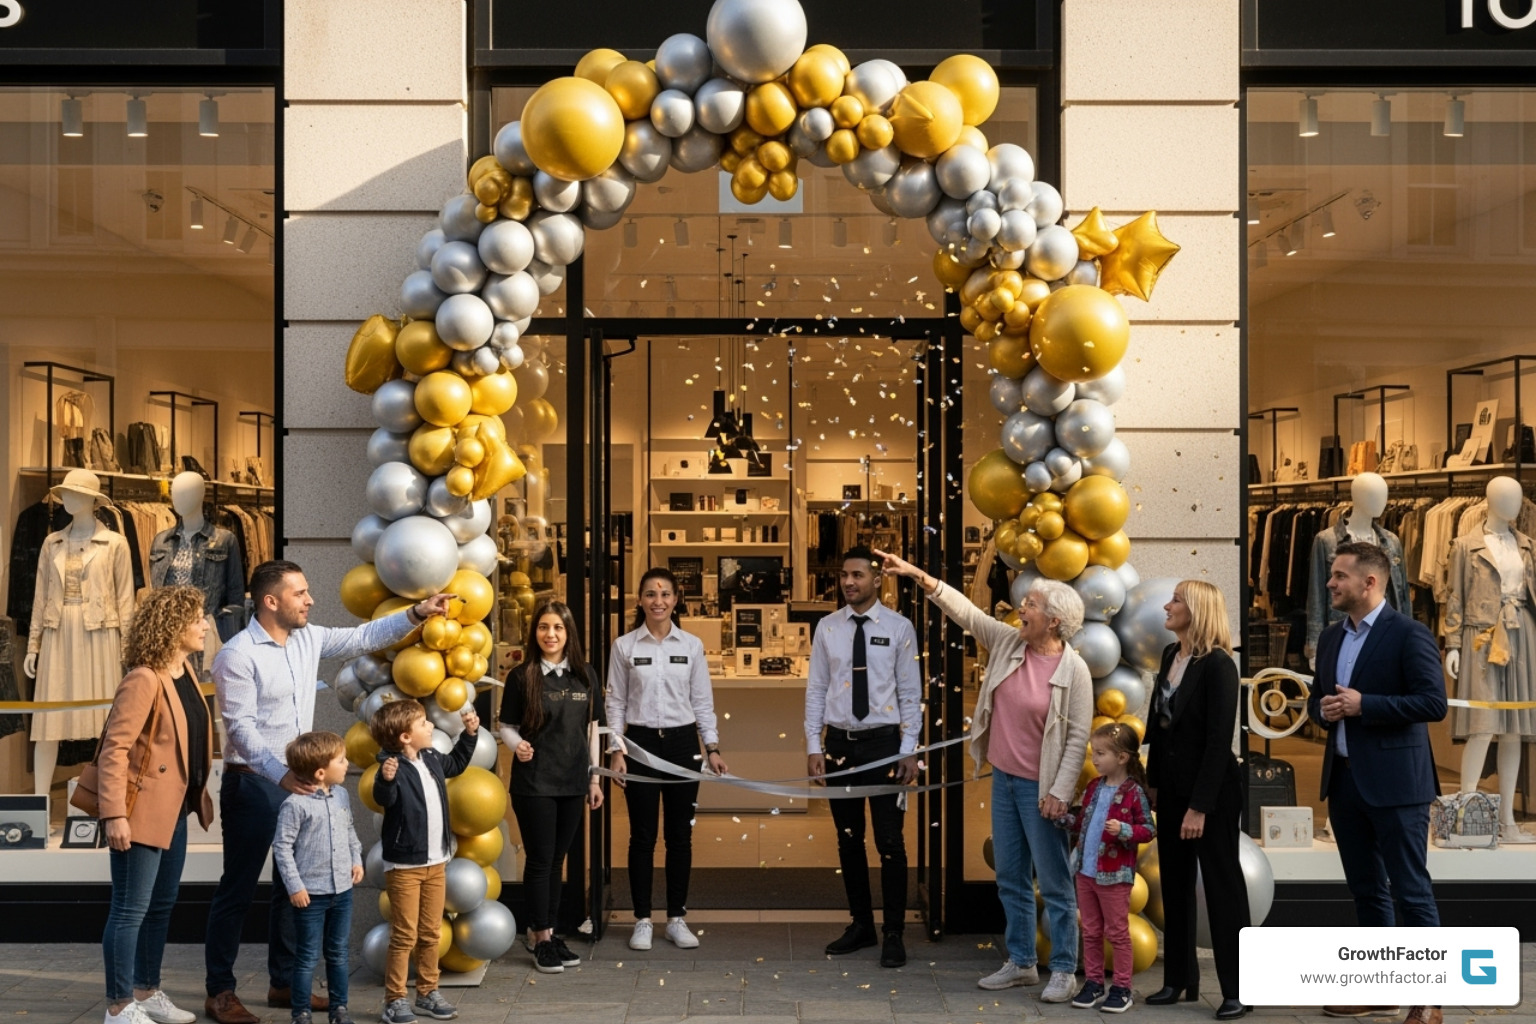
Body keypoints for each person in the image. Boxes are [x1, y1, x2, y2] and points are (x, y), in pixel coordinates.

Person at [203, 560, 454, 1024]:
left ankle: (284, 983)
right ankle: (219, 991)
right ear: (270, 601)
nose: (310, 600)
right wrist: (280, 774)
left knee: (292, 888)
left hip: (299, 782)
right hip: (254, 783)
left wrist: (417, 613)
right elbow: (241, 730)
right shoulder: (237, 655)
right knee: (237, 889)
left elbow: (363, 638)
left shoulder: (308, 638)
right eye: (299, 593)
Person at [879, 549, 1093, 999]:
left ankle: (1063, 969)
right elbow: (966, 612)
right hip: (1005, 780)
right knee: (1010, 877)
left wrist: (1059, 792)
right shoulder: (1010, 642)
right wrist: (916, 574)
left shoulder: (1074, 670)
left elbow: (1077, 738)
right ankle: (1021, 962)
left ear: (1054, 621)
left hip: (1041, 790)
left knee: (1055, 882)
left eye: (1031, 605)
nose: (1022, 608)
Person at [1306, 542, 1446, 1024]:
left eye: (1339, 576)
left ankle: (1429, 1000)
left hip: (1398, 786)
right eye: (1332, 575)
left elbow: (1433, 703)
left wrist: (1366, 705)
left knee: (1411, 890)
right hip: (1345, 783)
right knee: (1367, 890)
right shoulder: (1331, 637)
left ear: (1369, 582)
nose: (1330, 583)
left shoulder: (1409, 633)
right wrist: (1323, 710)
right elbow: (1317, 699)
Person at [98, 586, 214, 1024]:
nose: (205, 626)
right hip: (139, 813)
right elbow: (114, 750)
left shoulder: (184, 672)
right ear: (173, 625)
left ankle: (146, 992)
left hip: (174, 810)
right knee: (130, 909)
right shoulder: (144, 678)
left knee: (161, 904)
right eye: (197, 619)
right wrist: (114, 814)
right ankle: (119, 1006)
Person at [805, 547, 922, 969]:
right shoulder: (828, 628)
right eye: (844, 575)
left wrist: (909, 749)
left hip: (884, 745)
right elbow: (817, 688)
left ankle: (894, 932)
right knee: (849, 838)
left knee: (890, 842)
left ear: (877, 579)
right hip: (840, 745)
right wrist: (814, 745)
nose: (848, 582)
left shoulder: (899, 627)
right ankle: (861, 925)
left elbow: (910, 691)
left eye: (857, 575)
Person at [1143, 580, 1249, 1021]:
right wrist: (1153, 783)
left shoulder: (1219, 665)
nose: (1167, 606)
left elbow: (1217, 741)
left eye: (1176, 600)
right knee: (1175, 884)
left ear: (1198, 610)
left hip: (1212, 793)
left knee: (1223, 888)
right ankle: (1179, 979)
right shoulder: (1171, 655)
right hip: (1171, 789)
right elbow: (1159, 726)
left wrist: (1199, 807)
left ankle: (1238, 989)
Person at [606, 567, 727, 952]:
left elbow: (702, 702)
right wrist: (617, 750)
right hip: (639, 745)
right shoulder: (624, 646)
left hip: (682, 745)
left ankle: (676, 918)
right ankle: (642, 919)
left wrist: (712, 747)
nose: (658, 601)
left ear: (676, 600)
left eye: (665, 594)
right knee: (642, 836)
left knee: (680, 836)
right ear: (640, 600)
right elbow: (615, 703)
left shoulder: (691, 645)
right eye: (650, 594)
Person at [498, 601, 604, 975]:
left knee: (557, 861)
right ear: (535, 633)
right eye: (543, 627)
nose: (550, 634)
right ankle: (540, 937)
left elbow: (593, 730)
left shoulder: (585, 675)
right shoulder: (522, 676)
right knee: (541, 860)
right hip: (535, 783)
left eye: (557, 627)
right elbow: (507, 726)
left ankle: (549, 932)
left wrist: (594, 779)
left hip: (573, 781)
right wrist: (517, 746)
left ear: (568, 632)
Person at [370, 698, 481, 1024]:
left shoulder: (431, 757)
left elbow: (456, 764)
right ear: (405, 737)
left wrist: (470, 736)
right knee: (405, 935)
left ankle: (427, 993)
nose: (431, 725)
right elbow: (384, 798)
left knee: (431, 932)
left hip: (436, 863)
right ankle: (394, 1000)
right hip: (405, 867)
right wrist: (385, 779)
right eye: (423, 723)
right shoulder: (391, 766)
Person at [1060, 722, 1155, 1014]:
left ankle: (1122, 987)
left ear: (1122, 757)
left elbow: (1148, 829)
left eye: (1101, 753)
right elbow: (1082, 824)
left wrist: (1124, 830)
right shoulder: (1093, 787)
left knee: (1117, 932)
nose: (1095, 758)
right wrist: (1064, 820)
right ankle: (1094, 983)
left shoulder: (1134, 792)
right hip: (1086, 873)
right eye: (1094, 752)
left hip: (1114, 876)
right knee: (1090, 930)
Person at [271, 732, 362, 1024]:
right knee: (307, 955)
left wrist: (356, 859)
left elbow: (349, 831)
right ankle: (301, 1013)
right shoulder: (295, 804)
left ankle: (339, 1009)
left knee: (338, 953)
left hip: (342, 891)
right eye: (341, 760)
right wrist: (295, 887)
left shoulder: (342, 796)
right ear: (321, 772)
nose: (347, 764)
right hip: (310, 895)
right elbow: (282, 847)